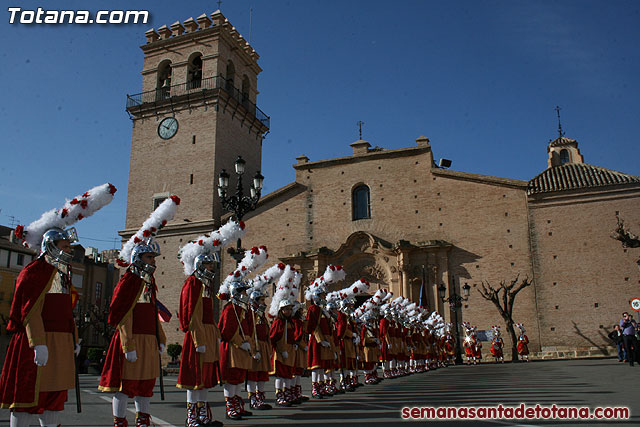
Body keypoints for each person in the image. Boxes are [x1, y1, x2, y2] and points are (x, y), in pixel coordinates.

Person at [0, 182, 116, 427]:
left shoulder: (62, 275)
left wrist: (74, 339)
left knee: (53, 398)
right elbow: (30, 311)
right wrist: (38, 343)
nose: (68, 252)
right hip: (37, 342)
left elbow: (67, 313)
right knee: (27, 397)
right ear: (49, 246)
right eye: (64, 247)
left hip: (60, 342)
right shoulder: (34, 272)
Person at [99, 195, 179, 427]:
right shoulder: (129, 281)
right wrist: (128, 344)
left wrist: (160, 337)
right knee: (126, 385)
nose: (153, 261)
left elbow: (152, 311)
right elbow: (122, 314)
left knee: (145, 384)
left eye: (153, 257)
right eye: (149, 256)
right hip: (131, 340)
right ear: (137, 258)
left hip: (147, 340)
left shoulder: (148, 282)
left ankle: (143, 419)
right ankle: (120, 420)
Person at [177, 253, 224, 427]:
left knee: (205, 378)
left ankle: (203, 414)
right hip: (198, 335)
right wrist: (199, 339)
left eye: (212, 264)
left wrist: (215, 335)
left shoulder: (206, 285)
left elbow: (209, 314)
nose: (212, 268)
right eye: (209, 264)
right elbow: (191, 314)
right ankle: (192, 417)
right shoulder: (193, 283)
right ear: (201, 265)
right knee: (195, 378)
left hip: (208, 333)